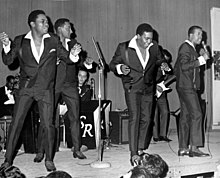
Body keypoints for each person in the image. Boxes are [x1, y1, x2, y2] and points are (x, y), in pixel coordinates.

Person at [0, 10, 82, 172]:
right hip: (26, 89)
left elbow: (66, 57)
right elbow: (8, 60)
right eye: (43, 21)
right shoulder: (20, 41)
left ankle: (49, 159)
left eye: (47, 22)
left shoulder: (53, 40)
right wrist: (7, 46)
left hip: (45, 90)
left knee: (48, 125)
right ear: (32, 24)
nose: (47, 24)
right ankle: (7, 160)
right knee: (16, 124)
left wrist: (73, 54)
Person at [109, 23, 170, 166]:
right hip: (132, 87)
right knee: (134, 118)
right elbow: (112, 64)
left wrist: (163, 64)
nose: (149, 41)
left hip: (148, 87)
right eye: (146, 38)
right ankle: (133, 153)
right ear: (137, 36)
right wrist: (119, 68)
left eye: (151, 38)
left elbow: (159, 58)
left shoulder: (154, 46)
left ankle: (141, 148)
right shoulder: (123, 47)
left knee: (147, 119)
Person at [33, 18, 93, 163]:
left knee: (75, 118)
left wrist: (87, 63)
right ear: (60, 29)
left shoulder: (74, 44)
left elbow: (80, 62)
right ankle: (41, 151)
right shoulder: (50, 42)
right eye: (68, 28)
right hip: (53, 84)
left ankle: (77, 149)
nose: (71, 31)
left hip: (70, 85)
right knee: (47, 120)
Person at [174, 25, 210, 157]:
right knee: (197, 114)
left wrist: (198, 58)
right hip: (187, 87)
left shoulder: (191, 49)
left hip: (184, 86)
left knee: (186, 116)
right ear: (190, 35)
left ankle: (183, 147)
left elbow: (178, 67)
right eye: (198, 34)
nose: (201, 37)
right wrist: (201, 60)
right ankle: (194, 148)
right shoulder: (185, 47)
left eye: (201, 35)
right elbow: (183, 66)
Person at [153, 49, 174, 142]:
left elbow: (171, 76)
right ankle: (155, 136)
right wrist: (155, 87)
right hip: (153, 91)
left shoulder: (167, 67)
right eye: (164, 60)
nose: (166, 62)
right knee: (155, 114)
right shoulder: (153, 66)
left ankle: (163, 135)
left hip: (162, 93)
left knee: (165, 112)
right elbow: (147, 79)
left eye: (167, 61)